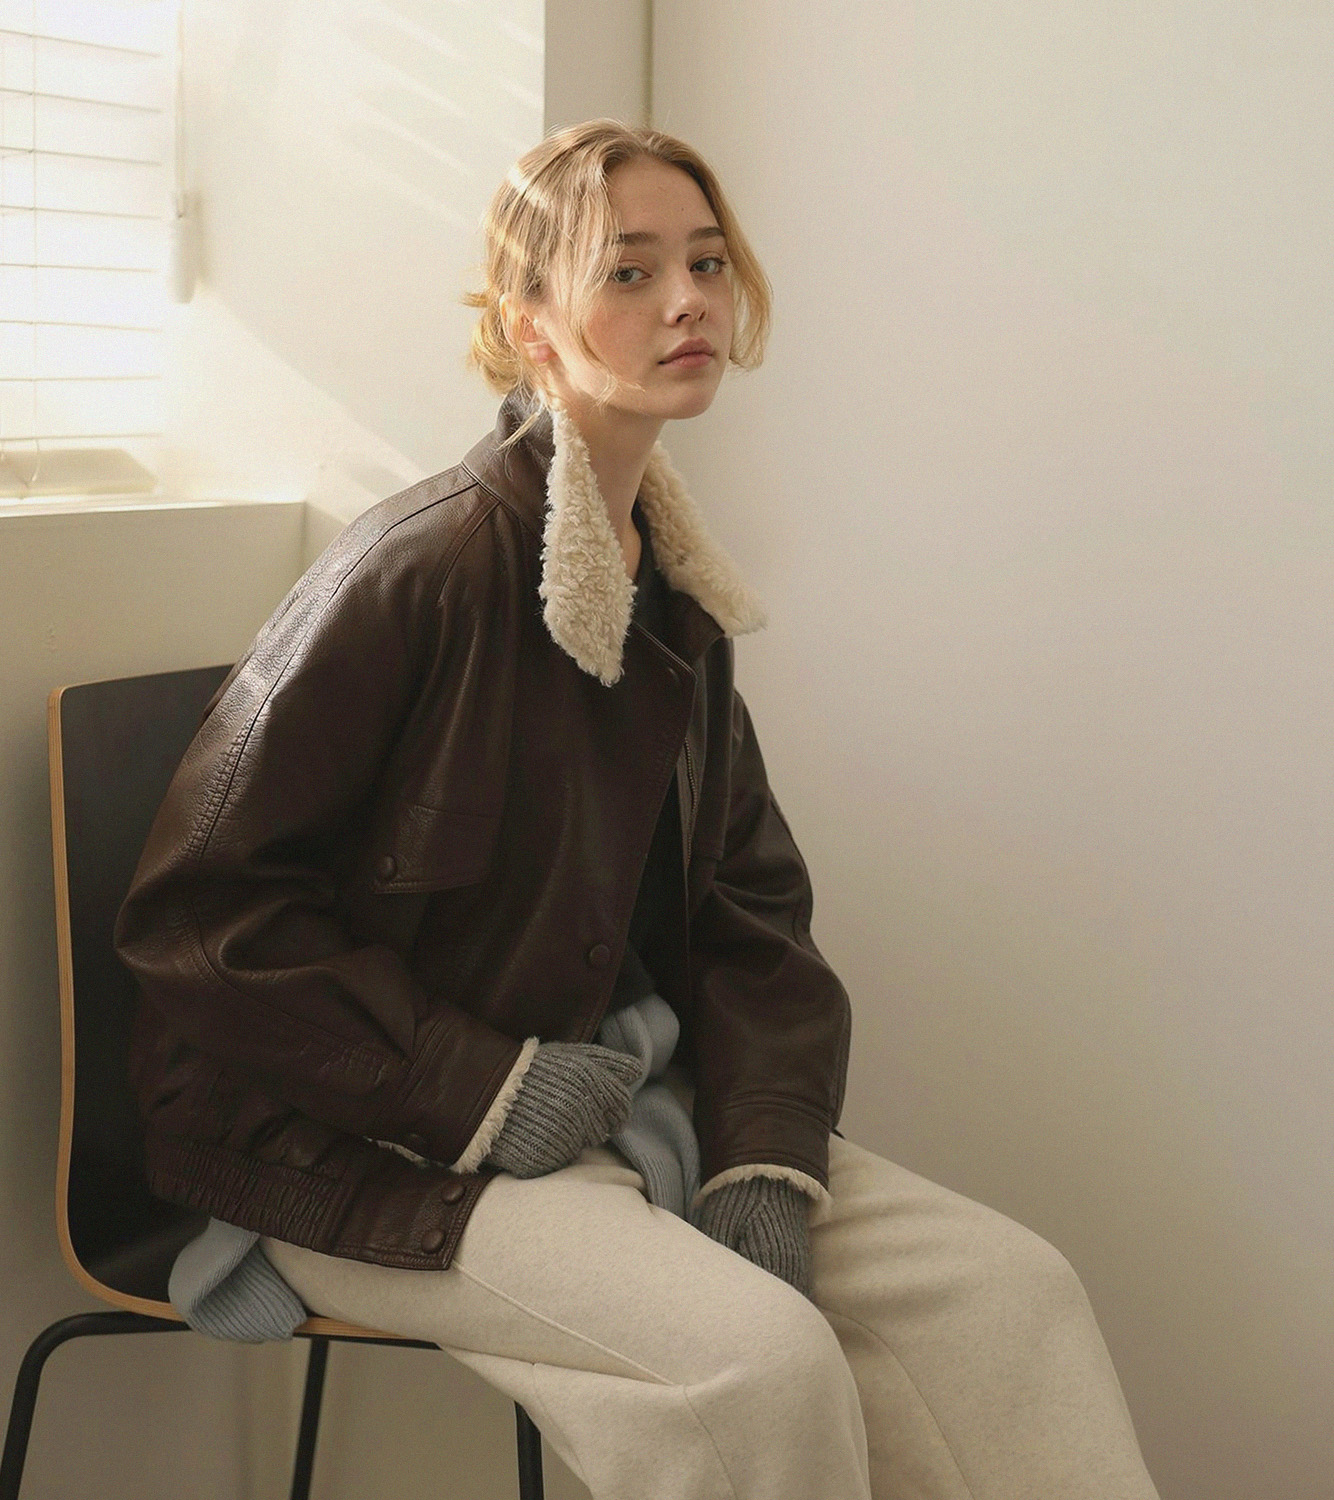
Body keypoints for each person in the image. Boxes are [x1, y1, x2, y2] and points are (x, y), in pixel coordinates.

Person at [114, 118, 1161, 1500]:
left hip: (614, 1095)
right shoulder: (417, 569)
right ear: (527, 322)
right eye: (629, 271)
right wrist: (480, 1088)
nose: (687, 302)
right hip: (351, 1138)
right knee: (758, 1365)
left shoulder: (671, 589)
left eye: (707, 263)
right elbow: (200, 920)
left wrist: (766, 1157)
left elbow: (748, 909)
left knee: (1009, 1297)